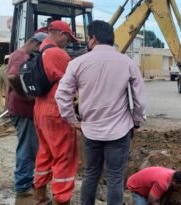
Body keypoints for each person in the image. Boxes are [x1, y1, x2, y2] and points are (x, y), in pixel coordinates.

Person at [55, 20, 145, 205]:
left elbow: (61, 95)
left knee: (91, 174)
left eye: (88, 38)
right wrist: (135, 122)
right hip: (119, 132)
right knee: (114, 178)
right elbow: (140, 101)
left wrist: (73, 120)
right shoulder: (128, 63)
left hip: (91, 130)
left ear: (93, 39)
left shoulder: (77, 63)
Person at [32, 20, 78, 205]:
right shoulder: (58, 54)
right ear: (61, 34)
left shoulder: (41, 50)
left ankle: (39, 197)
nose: (68, 42)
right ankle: (62, 200)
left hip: (40, 110)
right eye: (68, 38)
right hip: (56, 112)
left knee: (45, 153)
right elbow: (75, 81)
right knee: (64, 157)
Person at [6, 32, 47, 197]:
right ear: (36, 43)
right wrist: (25, 95)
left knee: (29, 146)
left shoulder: (22, 55)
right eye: (41, 48)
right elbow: (12, 76)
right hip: (22, 110)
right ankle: (23, 185)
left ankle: (26, 179)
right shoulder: (21, 56)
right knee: (27, 148)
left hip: (22, 110)